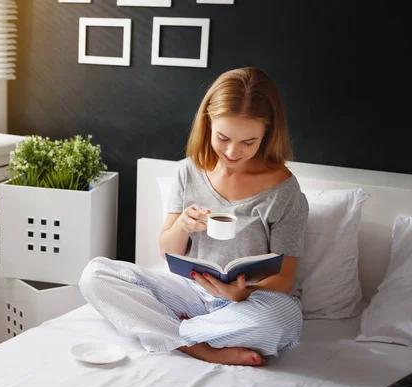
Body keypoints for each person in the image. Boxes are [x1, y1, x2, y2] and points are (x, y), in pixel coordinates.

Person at [79, 67, 309, 366]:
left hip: (252, 301)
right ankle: (199, 347)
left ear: (268, 133)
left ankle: (174, 331)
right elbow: (166, 252)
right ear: (208, 123)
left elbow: (285, 278)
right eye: (223, 137)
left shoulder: (284, 190)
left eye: (248, 142)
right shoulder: (189, 170)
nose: (232, 151)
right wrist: (183, 226)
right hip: (189, 292)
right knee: (95, 275)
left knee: (281, 322)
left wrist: (243, 293)